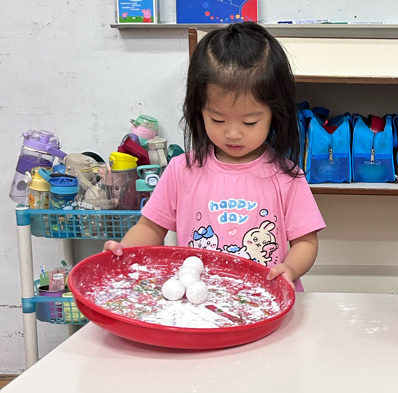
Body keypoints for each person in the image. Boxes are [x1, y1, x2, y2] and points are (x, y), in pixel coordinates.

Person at [104, 23, 324, 288]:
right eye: (218, 120)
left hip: (267, 300)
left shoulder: (286, 176)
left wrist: (290, 268)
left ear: (274, 114)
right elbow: (150, 227)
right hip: (200, 302)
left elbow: (306, 242)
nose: (233, 134)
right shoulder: (181, 170)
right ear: (199, 111)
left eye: (250, 122)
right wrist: (124, 251)